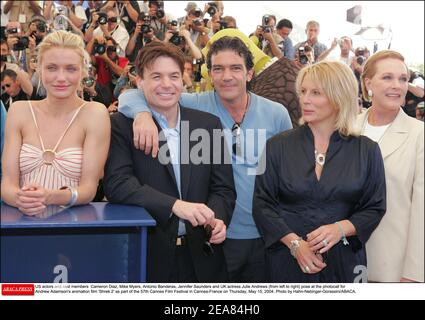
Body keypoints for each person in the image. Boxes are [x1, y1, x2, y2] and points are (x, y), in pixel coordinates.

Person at [118, 36, 292, 282]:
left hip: (266, 235)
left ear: (250, 73)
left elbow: (287, 176)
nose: (226, 76)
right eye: (218, 69)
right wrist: (142, 114)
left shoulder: (276, 113)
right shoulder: (195, 105)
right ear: (209, 74)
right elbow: (135, 94)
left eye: (235, 68)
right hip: (214, 235)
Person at [103, 41, 236, 283]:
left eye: (174, 76)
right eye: (156, 76)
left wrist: (216, 218)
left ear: (183, 79)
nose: (166, 84)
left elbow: (223, 188)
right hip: (149, 256)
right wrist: (174, 205)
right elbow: (118, 184)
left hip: (204, 259)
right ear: (139, 81)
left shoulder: (207, 125)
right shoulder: (121, 125)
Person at [253, 61, 386, 282]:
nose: (305, 99)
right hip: (288, 261)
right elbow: (262, 204)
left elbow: (375, 207)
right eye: (303, 91)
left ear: (338, 96)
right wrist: (295, 244)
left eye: (316, 93)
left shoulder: (367, 150)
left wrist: (341, 228)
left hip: (345, 263)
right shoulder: (277, 146)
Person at [1, 30, 110, 216]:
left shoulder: (95, 114)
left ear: (83, 71)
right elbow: (7, 185)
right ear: (39, 69)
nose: (61, 77)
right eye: (52, 68)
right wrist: (20, 198)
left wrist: (50, 197)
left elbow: (89, 189)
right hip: (21, 225)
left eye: (71, 68)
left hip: (73, 226)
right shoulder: (19, 110)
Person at [357, 50, 424, 282]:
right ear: (368, 83)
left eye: (403, 79)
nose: (397, 85)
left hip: (392, 269)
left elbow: (421, 210)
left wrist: (414, 274)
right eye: (387, 77)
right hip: (342, 263)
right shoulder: (346, 128)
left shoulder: (419, 135)